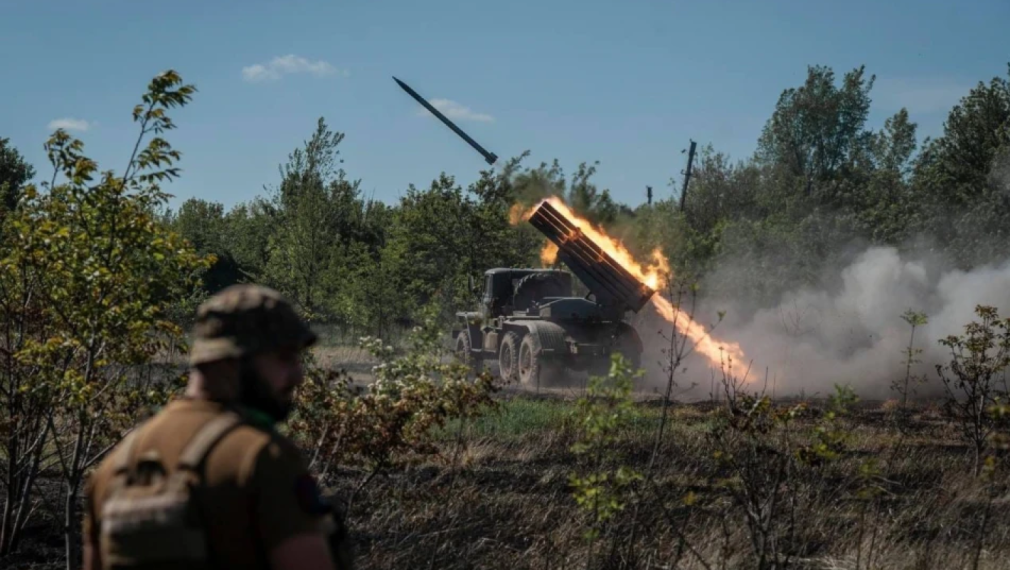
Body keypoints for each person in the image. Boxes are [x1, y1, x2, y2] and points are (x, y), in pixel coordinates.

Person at [81, 284, 351, 570]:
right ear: (229, 361)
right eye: (284, 358)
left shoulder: (113, 468)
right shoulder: (260, 457)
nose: (298, 375)